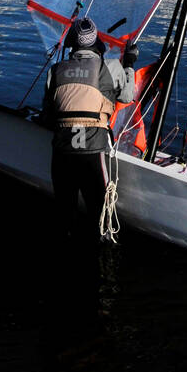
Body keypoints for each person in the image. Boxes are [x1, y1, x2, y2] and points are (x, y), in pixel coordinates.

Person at [40, 15, 137, 237]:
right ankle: (100, 261)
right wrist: (129, 63)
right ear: (96, 43)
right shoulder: (111, 67)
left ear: (72, 44)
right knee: (100, 216)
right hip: (94, 151)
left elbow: (47, 114)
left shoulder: (55, 71)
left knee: (66, 215)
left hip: (63, 151)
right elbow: (128, 96)